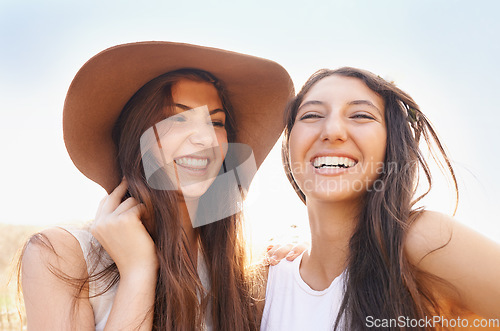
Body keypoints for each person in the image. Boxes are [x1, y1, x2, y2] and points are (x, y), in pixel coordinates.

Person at [20, 41, 302, 331]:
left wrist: (303, 258)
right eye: (177, 118)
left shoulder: (240, 270)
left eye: (216, 123)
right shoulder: (64, 255)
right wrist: (138, 271)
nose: (205, 139)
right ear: (135, 135)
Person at [261, 67, 500, 330]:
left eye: (361, 115)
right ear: (289, 141)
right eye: (312, 115)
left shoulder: (422, 242)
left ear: (391, 143)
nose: (332, 130)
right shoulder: (263, 282)